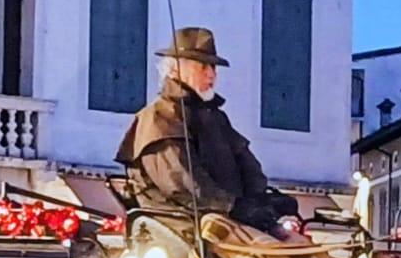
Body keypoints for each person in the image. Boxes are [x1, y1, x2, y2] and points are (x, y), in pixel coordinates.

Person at [116, 27, 299, 234]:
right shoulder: (158, 119)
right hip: (183, 230)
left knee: (295, 249)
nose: (211, 74)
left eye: (213, 67)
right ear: (175, 69)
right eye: (202, 66)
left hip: (227, 224)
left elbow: (247, 164)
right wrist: (233, 207)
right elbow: (184, 183)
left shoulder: (215, 117)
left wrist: (262, 200)